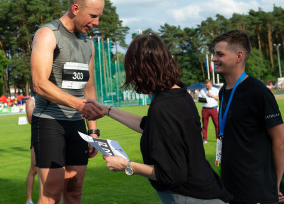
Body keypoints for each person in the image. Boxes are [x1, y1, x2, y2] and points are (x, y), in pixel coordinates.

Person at [87, 34, 232, 203]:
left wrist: (127, 165)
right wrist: (107, 110)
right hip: (202, 189)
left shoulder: (164, 107)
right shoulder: (178, 95)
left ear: (140, 69)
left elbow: (172, 174)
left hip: (190, 196)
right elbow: (149, 125)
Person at [30, 0, 104, 204]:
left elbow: (89, 89)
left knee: (74, 190)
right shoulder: (47, 34)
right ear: (75, 8)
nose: (96, 23)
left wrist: (93, 131)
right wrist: (78, 105)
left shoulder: (88, 43)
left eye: (99, 17)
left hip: (77, 125)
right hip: (49, 122)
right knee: (51, 192)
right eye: (93, 16)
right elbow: (39, 83)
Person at [212, 30, 284, 204]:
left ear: (238, 56)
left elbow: (280, 141)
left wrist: (274, 184)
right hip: (231, 187)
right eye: (214, 54)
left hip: (256, 190)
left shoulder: (257, 91)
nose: (214, 59)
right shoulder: (223, 92)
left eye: (219, 54)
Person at [198, 79, 219, 143]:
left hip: (214, 109)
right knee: (204, 125)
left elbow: (219, 99)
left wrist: (211, 96)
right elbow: (199, 99)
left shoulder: (216, 90)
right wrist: (203, 100)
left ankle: (218, 139)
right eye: (206, 86)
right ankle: (204, 139)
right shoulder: (202, 90)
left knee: (217, 124)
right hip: (205, 109)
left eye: (208, 85)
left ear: (211, 84)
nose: (207, 87)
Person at [25, 96, 37, 204]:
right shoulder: (32, 101)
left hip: (55, 135)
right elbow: (31, 119)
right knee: (34, 169)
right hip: (38, 136)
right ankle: (29, 200)